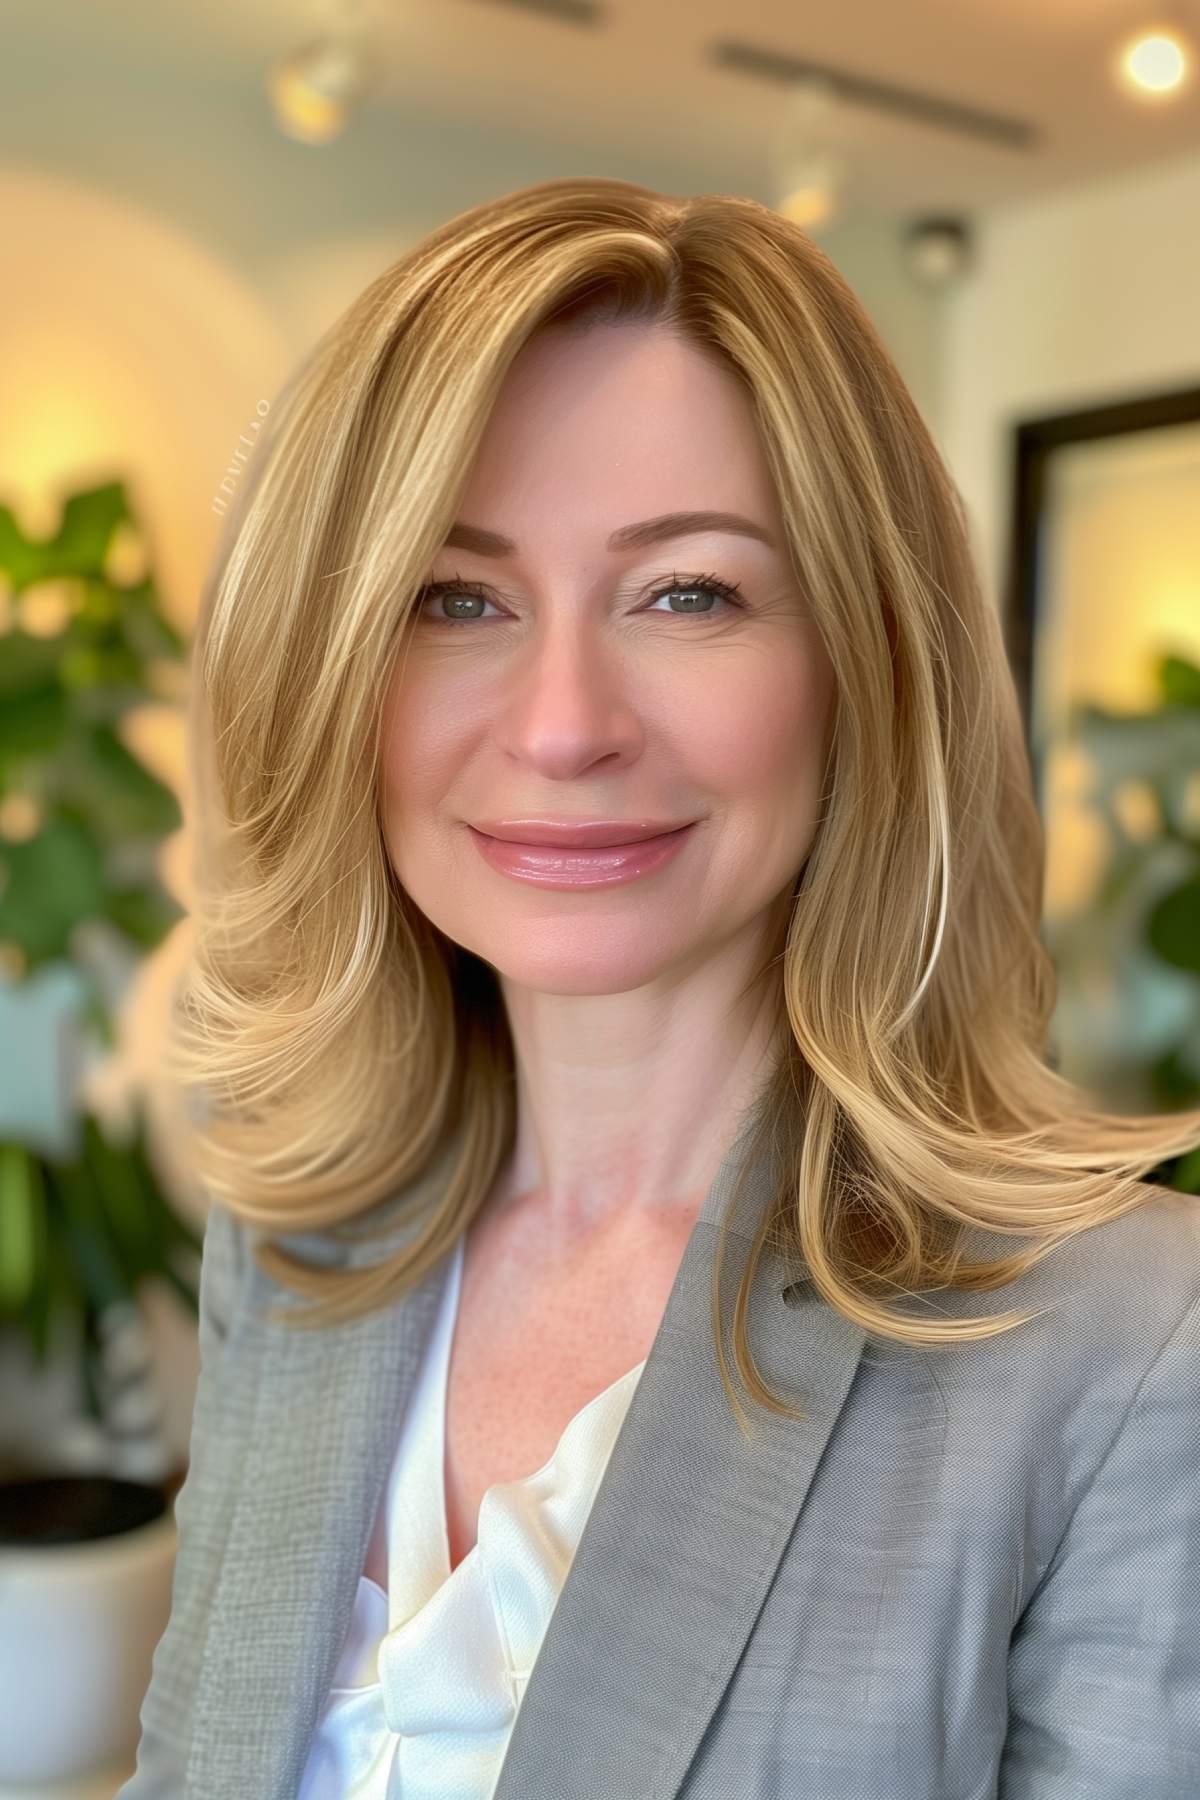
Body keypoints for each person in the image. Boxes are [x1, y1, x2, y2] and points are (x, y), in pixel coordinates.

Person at [118, 177, 1200, 1799]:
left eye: (688, 592)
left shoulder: (1124, 1345)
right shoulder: (299, 1238)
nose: (563, 727)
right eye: (453, 597)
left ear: (868, 663)